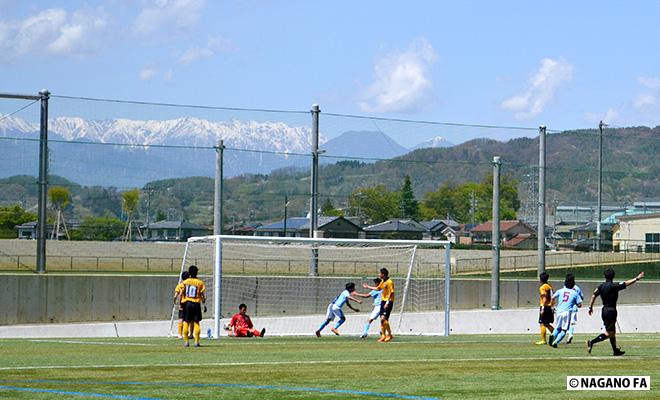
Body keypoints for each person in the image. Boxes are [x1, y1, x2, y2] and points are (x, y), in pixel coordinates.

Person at [587, 268, 644, 356]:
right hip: (611, 311)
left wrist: (590, 307)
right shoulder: (614, 286)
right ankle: (592, 342)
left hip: (604, 310)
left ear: (604, 276)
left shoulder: (601, 286)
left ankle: (615, 350)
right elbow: (626, 283)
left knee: (612, 332)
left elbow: (593, 296)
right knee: (609, 333)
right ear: (613, 276)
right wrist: (637, 278)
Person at [548, 274, 582, 348]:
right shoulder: (575, 293)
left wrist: (552, 306)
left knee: (557, 328)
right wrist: (575, 303)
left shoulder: (560, 291)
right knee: (564, 330)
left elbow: (553, 297)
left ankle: (552, 335)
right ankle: (556, 342)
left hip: (559, 311)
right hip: (567, 312)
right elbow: (579, 304)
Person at [363, 268, 395, 342]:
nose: (379, 275)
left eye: (380, 273)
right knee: (381, 320)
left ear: (383, 274)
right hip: (383, 301)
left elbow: (391, 293)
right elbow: (378, 288)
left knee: (384, 319)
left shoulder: (389, 282)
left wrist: (387, 303)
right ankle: (383, 336)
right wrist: (368, 287)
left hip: (388, 301)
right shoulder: (383, 281)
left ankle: (389, 335)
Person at [181, 265, 206, 347]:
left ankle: (186, 341)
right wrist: (204, 304)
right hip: (196, 304)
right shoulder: (200, 282)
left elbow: (181, 293)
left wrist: (181, 302)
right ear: (196, 273)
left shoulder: (185, 282)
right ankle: (196, 341)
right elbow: (202, 295)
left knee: (186, 322)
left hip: (187, 303)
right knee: (196, 322)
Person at [536, 272, 554, 345]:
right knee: (547, 324)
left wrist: (543, 307)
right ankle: (556, 334)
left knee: (542, 323)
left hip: (545, 306)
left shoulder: (543, 287)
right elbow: (552, 296)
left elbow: (544, 297)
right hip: (549, 306)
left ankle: (543, 340)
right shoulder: (549, 286)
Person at [565, 273, 583, 344]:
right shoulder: (577, 288)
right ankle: (570, 334)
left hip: (566, 308)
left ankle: (567, 334)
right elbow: (581, 297)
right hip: (574, 307)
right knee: (572, 323)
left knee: (566, 322)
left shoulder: (565, 287)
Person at [173, 270, 191, 339]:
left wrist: (175, 301)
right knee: (188, 319)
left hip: (182, 303)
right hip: (189, 303)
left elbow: (175, 296)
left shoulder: (180, 285)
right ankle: (188, 334)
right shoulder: (190, 285)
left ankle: (180, 334)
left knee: (181, 319)